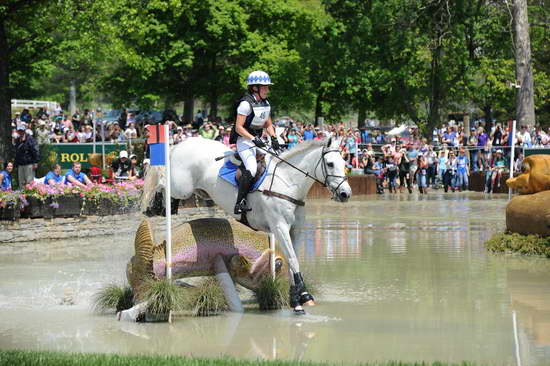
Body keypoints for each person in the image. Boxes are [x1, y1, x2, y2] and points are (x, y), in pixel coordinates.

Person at [229, 70, 280, 214]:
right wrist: (253, 139)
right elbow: (239, 127)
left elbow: (268, 124)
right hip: (244, 140)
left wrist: (274, 138)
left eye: (268, 87)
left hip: (257, 140)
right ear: (255, 88)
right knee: (251, 168)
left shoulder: (265, 103)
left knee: (274, 160)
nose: (267, 90)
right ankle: (239, 203)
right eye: (265, 87)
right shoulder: (245, 104)